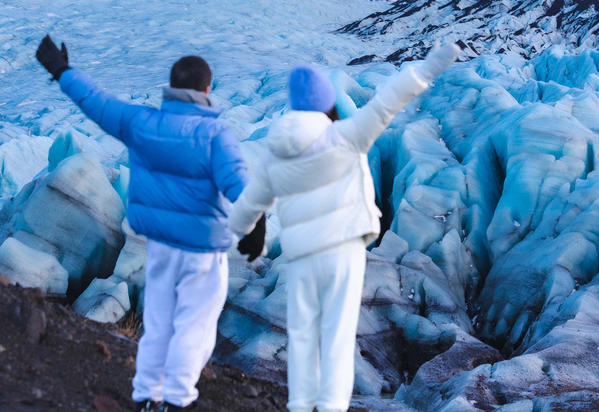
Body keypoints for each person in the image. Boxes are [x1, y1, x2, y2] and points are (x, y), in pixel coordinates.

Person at [34, 36, 266, 412]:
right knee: (195, 326)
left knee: (158, 323)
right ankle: (177, 400)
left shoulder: (143, 122)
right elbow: (238, 184)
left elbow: (96, 102)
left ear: (172, 89)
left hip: (158, 246)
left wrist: (61, 71)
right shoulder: (215, 134)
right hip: (202, 252)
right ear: (207, 90)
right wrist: (256, 225)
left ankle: (147, 396)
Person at [226, 42, 460, 412]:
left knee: (302, 333)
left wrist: (239, 233)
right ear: (328, 102)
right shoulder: (347, 135)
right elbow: (390, 99)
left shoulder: (277, 151)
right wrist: (433, 64)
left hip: (301, 252)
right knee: (336, 334)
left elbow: (251, 203)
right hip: (344, 250)